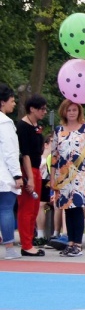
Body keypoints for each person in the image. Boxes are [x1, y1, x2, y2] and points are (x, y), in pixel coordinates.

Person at [50, 99, 85, 258]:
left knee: (78, 207)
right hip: (63, 176)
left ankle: (77, 244)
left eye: (74, 110)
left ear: (79, 111)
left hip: (80, 174)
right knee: (67, 208)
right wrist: (52, 178)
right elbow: (54, 156)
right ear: (64, 112)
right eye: (69, 110)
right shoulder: (58, 130)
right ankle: (70, 242)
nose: (72, 112)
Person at [16, 94, 48, 256]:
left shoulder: (35, 126)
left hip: (36, 169)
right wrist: (29, 177)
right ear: (32, 109)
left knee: (34, 208)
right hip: (28, 170)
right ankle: (26, 244)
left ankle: (30, 240)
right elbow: (25, 154)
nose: (44, 112)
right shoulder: (23, 127)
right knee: (27, 209)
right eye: (41, 109)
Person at [0, 85, 22, 259]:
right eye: (12, 100)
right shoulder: (5, 123)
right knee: (6, 208)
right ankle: (9, 248)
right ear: (2, 102)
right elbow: (10, 152)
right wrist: (17, 174)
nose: (13, 104)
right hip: (4, 174)